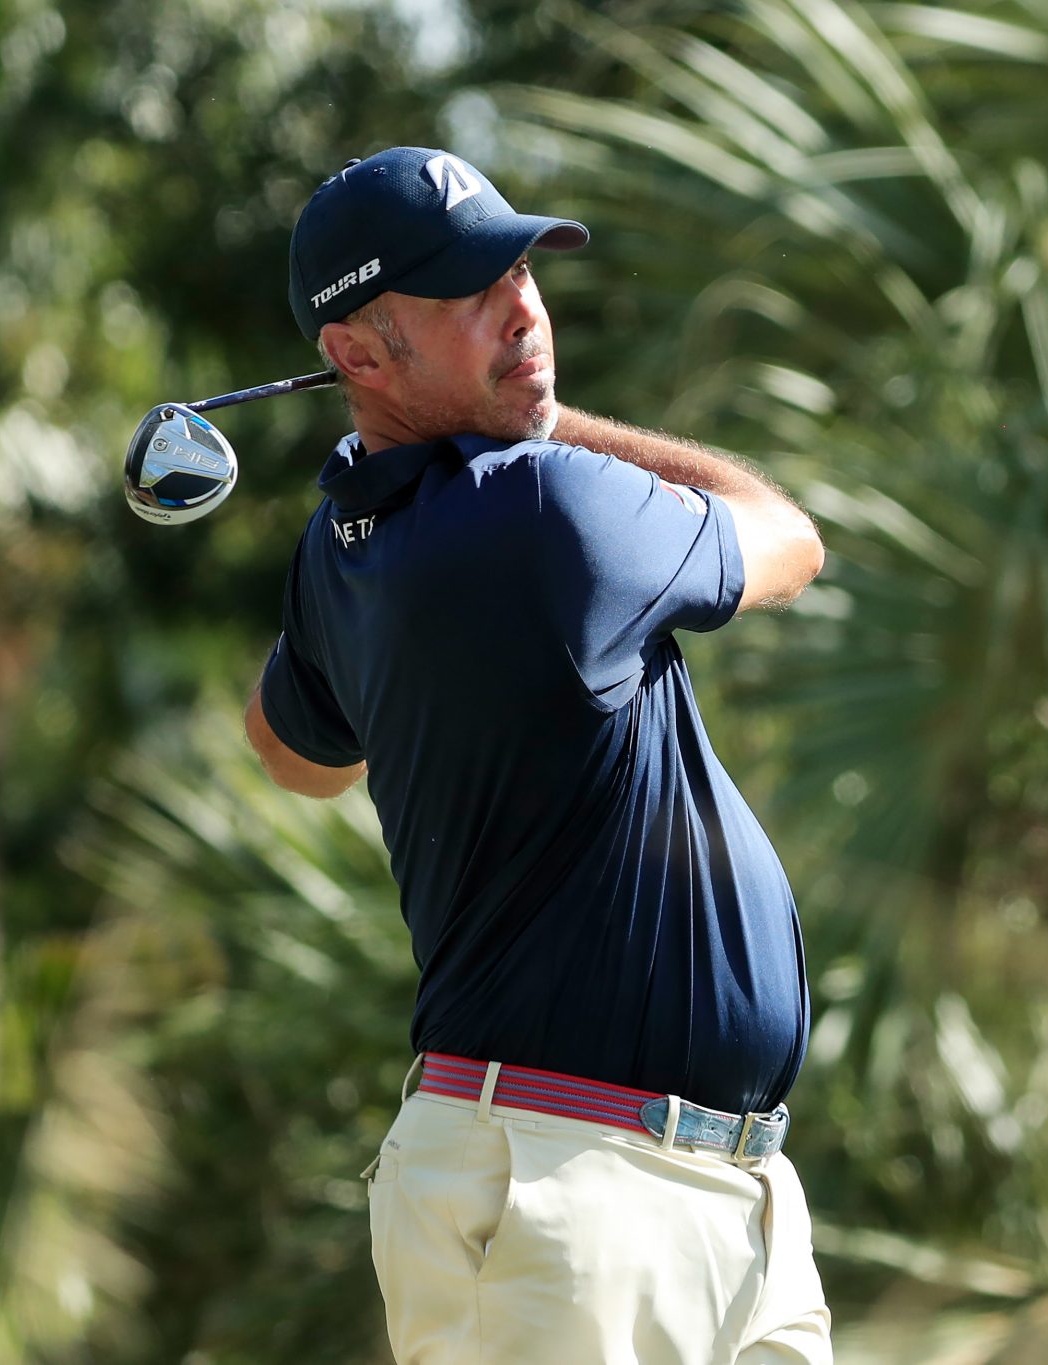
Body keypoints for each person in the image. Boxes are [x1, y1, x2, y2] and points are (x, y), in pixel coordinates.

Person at [243, 145, 832, 1364]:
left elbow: (295, 753)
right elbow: (785, 537)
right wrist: (560, 432)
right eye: (466, 292)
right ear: (354, 353)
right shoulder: (542, 509)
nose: (522, 311)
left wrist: (359, 617)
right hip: (570, 1192)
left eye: (518, 272)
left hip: (705, 1197)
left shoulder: (341, 559)